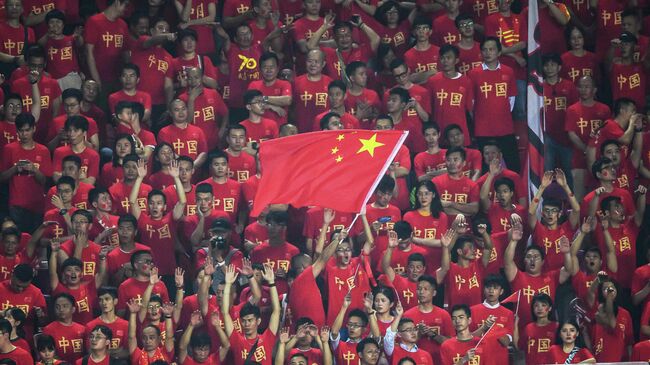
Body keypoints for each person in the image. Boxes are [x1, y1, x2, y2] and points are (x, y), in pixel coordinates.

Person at [505, 214, 573, 327]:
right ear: (524, 261)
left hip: (547, 329)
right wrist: (513, 241)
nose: (532, 259)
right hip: (521, 330)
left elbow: (568, 270)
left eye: (536, 257)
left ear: (542, 262)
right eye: (529, 257)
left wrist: (566, 253)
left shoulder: (551, 277)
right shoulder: (517, 276)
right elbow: (508, 262)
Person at [130, 158, 186, 288]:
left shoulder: (170, 218)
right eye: (152, 203)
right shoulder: (143, 219)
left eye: (159, 203)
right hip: (146, 271)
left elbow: (182, 201)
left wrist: (176, 178)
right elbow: (132, 201)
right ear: (148, 205)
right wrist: (139, 178)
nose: (155, 206)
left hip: (169, 271)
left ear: (165, 207)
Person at [468, 37, 519, 172]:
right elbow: (471, 103)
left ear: (499, 52)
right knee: (485, 168)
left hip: (505, 127)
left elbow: (511, 99)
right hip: (483, 129)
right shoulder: (474, 73)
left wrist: (501, 114)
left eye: (491, 49)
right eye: (484, 50)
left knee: (513, 164)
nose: (488, 53)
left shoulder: (508, 71)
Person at [0, 113, 52, 232]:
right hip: (16, 204)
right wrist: (15, 169)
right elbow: (2, 178)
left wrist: (34, 169)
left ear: (34, 128)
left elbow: (45, 180)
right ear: (17, 131)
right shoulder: (9, 149)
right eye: (21, 131)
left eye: (27, 130)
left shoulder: (43, 150)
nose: (24, 134)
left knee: (35, 242)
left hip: (37, 204)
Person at [564, 75, 611, 201]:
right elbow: (571, 134)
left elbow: (608, 134)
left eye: (587, 87)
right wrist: (587, 150)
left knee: (600, 198)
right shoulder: (572, 109)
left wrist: (596, 154)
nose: (583, 90)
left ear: (594, 90)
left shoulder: (604, 109)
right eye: (580, 87)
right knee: (579, 199)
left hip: (600, 162)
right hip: (578, 161)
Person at [223, 264, 280, 365]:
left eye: (250, 320)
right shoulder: (237, 340)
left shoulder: (267, 338)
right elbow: (225, 313)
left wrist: (271, 282)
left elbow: (276, 311)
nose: (246, 324)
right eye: (244, 321)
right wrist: (228, 284)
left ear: (258, 321)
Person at [528, 170, 580, 270]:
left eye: (554, 211)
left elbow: (577, 209)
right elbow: (531, 212)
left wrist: (565, 186)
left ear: (560, 214)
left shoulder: (567, 228)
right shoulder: (538, 229)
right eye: (547, 211)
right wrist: (542, 188)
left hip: (563, 275)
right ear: (542, 214)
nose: (550, 213)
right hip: (542, 276)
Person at [425, 45, 473, 144]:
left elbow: (470, 110)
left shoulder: (466, 81)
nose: (445, 61)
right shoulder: (432, 81)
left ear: (456, 60)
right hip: (439, 133)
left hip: (459, 133)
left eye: (449, 58)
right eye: (442, 58)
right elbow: (428, 110)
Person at [403, 275, 453, 364]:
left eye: (426, 289)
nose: (421, 292)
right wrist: (419, 334)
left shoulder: (444, 314)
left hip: (440, 361)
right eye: (419, 289)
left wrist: (432, 334)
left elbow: (451, 343)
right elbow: (403, 344)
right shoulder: (408, 315)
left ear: (434, 293)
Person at [179, 66, 229, 150]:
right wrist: (191, 99)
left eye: (196, 77)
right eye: (190, 78)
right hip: (193, 145)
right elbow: (186, 122)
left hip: (213, 143)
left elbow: (225, 113)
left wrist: (222, 130)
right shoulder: (182, 98)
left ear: (202, 78)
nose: (193, 81)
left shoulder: (213, 94)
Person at [84, 0, 130, 89]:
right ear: (117, 2)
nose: (127, 9)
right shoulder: (94, 21)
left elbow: (126, 52)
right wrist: (97, 81)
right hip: (97, 77)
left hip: (117, 79)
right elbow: (89, 53)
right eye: (126, 5)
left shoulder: (123, 25)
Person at [470, 274, 514, 365]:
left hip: (499, 359)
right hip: (478, 358)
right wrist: (484, 327)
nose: (491, 291)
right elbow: (468, 338)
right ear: (483, 290)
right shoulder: (472, 311)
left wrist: (494, 328)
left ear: (501, 291)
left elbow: (506, 342)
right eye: (488, 287)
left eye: (495, 288)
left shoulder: (508, 313)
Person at [157, 99, 208, 168]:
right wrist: (184, 168)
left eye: (183, 109)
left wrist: (192, 167)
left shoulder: (198, 131)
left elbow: (203, 152)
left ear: (187, 110)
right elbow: (167, 153)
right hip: (174, 172)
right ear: (171, 113)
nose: (181, 112)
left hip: (195, 172)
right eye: (177, 110)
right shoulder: (164, 132)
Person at [432, 147, 480, 219]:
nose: (452, 163)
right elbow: (433, 206)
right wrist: (465, 212)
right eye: (448, 160)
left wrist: (451, 204)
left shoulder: (472, 185)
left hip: (465, 227)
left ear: (464, 163)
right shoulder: (436, 181)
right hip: (441, 226)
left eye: (455, 160)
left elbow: (474, 209)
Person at [247, 52, 293, 127]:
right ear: (260, 69)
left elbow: (287, 100)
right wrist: (272, 106)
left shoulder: (285, 84)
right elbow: (250, 103)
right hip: (258, 128)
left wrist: (263, 98)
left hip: (280, 130)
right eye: (265, 67)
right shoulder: (254, 85)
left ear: (278, 69)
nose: (268, 70)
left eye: (272, 67)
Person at [52, 116, 100, 185]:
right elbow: (56, 177)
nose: (71, 134)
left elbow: (90, 182)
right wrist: (81, 179)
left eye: (76, 130)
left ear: (84, 133)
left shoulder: (93, 155)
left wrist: (67, 179)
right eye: (69, 130)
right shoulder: (59, 152)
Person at [126, 298, 175, 364]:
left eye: (151, 337)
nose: (148, 341)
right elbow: (131, 337)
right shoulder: (137, 355)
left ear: (159, 339)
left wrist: (168, 316)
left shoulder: (165, 353)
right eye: (144, 338)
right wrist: (133, 313)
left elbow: (169, 337)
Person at [384, 300, 434, 365]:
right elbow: (389, 336)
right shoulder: (393, 351)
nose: (413, 332)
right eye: (408, 330)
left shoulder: (426, 355)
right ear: (399, 334)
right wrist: (398, 316)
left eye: (414, 329)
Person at [42, 293, 87, 363]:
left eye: (65, 306)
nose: (61, 309)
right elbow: (47, 355)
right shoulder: (48, 330)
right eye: (57, 307)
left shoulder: (83, 329)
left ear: (73, 309)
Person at [85, 287, 129, 359]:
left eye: (107, 299)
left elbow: (127, 351)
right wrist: (115, 351)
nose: (104, 303)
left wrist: (103, 351)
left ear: (115, 301)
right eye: (100, 300)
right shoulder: (91, 326)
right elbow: (91, 351)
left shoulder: (125, 325)